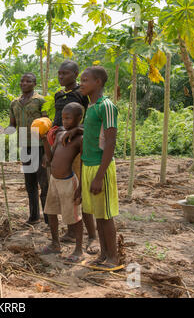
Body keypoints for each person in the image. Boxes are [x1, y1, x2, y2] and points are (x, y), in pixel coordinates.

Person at [52, 60, 99, 255]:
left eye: (65, 74)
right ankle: (71, 232)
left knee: (80, 192)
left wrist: (77, 130)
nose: (61, 77)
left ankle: (92, 236)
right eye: (59, 74)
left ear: (75, 74)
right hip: (61, 144)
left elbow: (90, 120)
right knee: (64, 192)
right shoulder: (58, 94)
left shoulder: (83, 93)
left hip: (77, 144)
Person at [78, 66, 120, 268]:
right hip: (88, 166)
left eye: (85, 80)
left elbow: (110, 142)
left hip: (100, 167)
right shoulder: (91, 106)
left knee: (106, 215)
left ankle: (113, 257)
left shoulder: (107, 106)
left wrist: (99, 175)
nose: (81, 83)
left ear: (98, 83)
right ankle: (104, 254)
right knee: (98, 214)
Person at [0, 73, 49, 224]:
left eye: (28, 81)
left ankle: (48, 218)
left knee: (44, 183)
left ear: (34, 83)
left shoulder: (40, 101)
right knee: (30, 183)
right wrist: (3, 131)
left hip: (39, 146)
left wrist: (47, 151)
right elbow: (13, 126)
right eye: (22, 81)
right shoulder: (14, 103)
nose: (24, 83)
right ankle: (33, 217)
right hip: (25, 146)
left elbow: (47, 124)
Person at [41, 102, 84, 262]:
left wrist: (80, 188)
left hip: (68, 182)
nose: (65, 122)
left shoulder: (80, 138)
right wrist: (45, 140)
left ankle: (79, 250)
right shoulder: (59, 134)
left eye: (69, 118)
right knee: (51, 211)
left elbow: (83, 163)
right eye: (63, 118)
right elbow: (51, 158)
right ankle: (55, 243)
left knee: (74, 217)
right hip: (54, 180)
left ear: (79, 118)